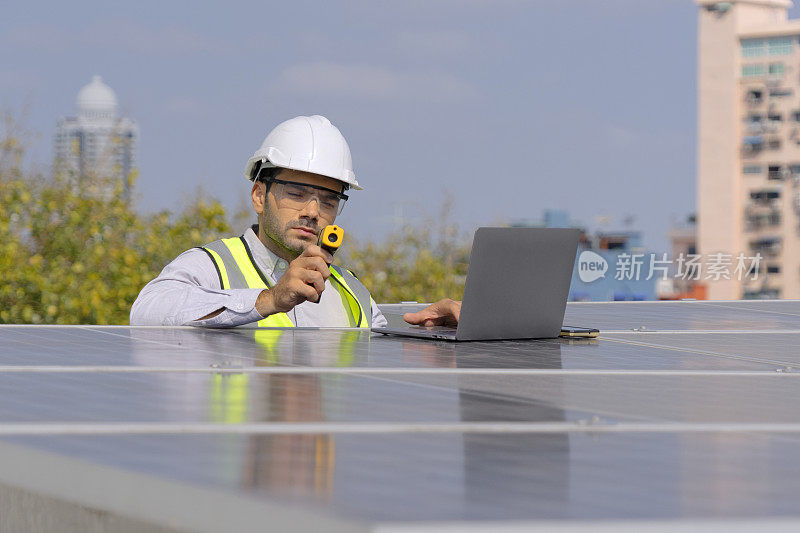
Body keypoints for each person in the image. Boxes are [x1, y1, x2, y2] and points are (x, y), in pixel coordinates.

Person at [130, 115, 461, 329]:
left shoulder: (350, 291)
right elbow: (146, 312)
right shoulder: (212, 265)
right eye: (298, 192)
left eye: (329, 200)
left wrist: (436, 328)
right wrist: (269, 300)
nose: (314, 211)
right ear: (259, 195)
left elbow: (382, 348)